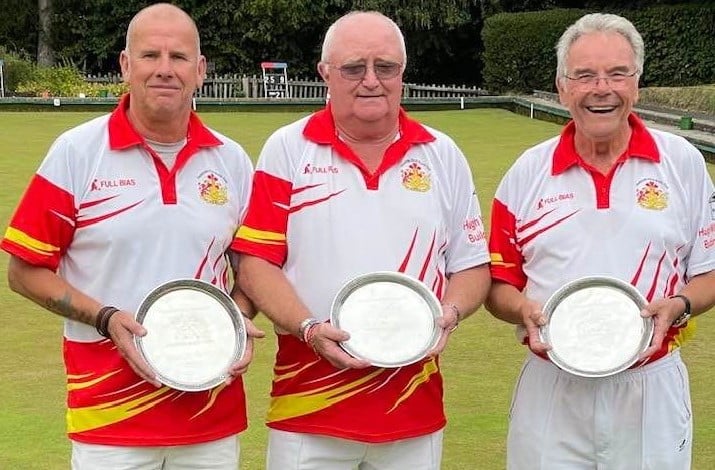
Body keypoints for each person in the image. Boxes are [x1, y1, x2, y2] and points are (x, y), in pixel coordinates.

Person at [1, 3, 262, 469]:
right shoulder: (77, 152)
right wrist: (105, 319)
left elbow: (252, 268)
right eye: (150, 55)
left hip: (210, 410)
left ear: (200, 70)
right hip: (109, 416)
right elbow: (23, 271)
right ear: (125, 65)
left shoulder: (232, 161)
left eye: (179, 57)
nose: (165, 69)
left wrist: (236, 318)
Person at [231, 10, 491, 470]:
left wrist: (449, 313)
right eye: (354, 67)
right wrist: (309, 328)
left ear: (402, 74)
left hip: (413, 407)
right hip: (307, 408)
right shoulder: (288, 148)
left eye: (385, 67)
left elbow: (471, 266)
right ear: (325, 74)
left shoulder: (442, 153)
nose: (371, 80)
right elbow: (255, 262)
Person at [486, 12, 715, 470]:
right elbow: (497, 283)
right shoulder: (527, 173)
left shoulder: (683, 164)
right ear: (561, 86)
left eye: (617, 73)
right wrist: (522, 310)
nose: (601, 88)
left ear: (637, 82)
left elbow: (708, 273)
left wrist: (678, 306)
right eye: (584, 75)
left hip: (651, 385)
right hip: (552, 385)